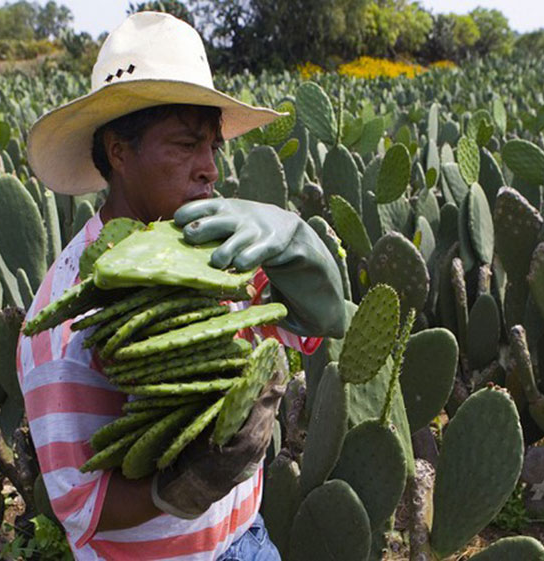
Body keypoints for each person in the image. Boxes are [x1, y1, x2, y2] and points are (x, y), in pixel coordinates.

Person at [18, 11, 345, 560]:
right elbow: (81, 506)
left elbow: (314, 327)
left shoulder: (220, 251)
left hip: (250, 539)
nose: (209, 169)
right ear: (119, 152)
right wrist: (187, 483)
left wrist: (299, 245)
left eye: (212, 146)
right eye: (184, 145)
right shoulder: (64, 324)